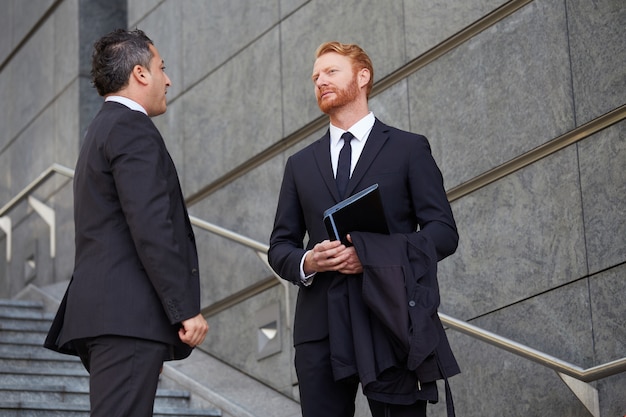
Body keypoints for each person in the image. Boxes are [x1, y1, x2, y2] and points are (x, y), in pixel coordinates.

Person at [268, 41, 460, 417]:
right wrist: (309, 260)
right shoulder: (300, 164)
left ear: (363, 76)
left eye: (330, 72)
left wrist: (372, 256)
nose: (320, 80)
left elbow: (443, 232)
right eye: (315, 77)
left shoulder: (408, 149)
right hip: (319, 331)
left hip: (389, 321)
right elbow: (280, 245)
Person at [44, 29, 209, 417]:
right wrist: (183, 308)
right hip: (127, 319)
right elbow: (151, 224)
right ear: (139, 73)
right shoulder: (131, 128)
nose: (167, 80)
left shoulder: (100, 129)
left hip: (110, 315)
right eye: (161, 68)